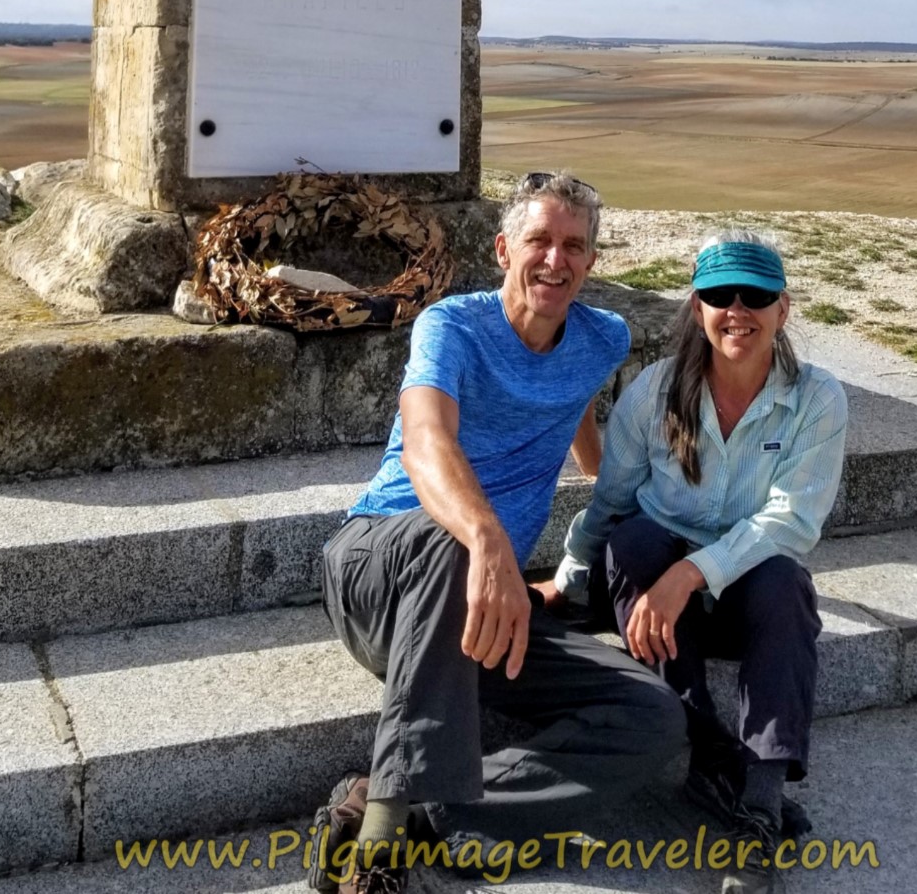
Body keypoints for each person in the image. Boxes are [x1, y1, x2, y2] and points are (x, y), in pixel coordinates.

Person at [314, 171, 687, 894]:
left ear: (592, 261)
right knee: (445, 544)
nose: (556, 260)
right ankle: (381, 846)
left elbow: (578, 417)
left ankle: (428, 817)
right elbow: (426, 442)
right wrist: (488, 539)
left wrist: (630, 517)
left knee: (649, 715)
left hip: (485, 604)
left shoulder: (601, 337)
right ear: (502, 248)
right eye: (539, 241)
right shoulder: (450, 325)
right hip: (381, 568)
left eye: (574, 246)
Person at [553, 235, 848, 893]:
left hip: (735, 592)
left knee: (784, 581)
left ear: (783, 309)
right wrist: (572, 576)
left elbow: (792, 520)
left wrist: (693, 573)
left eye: (756, 297)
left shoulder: (816, 399)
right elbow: (611, 501)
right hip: (652, 592)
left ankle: (760, 807)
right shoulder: (655, 393)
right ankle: (712, 755)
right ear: (696, 306)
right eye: (718, 295)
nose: (736, 310)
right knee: (633, 541)